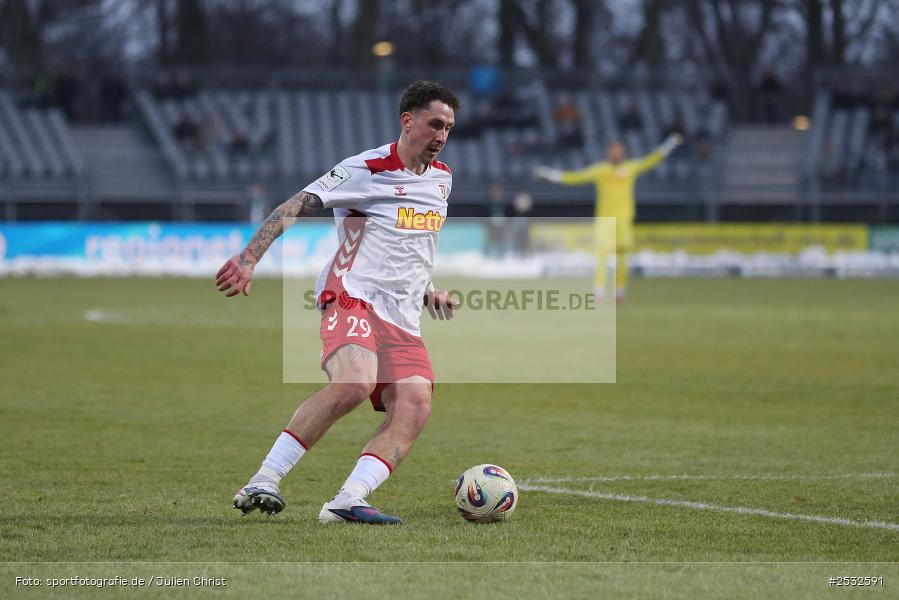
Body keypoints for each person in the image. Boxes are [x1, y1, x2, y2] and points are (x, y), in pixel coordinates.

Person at [215, 81, 460, 525]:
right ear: (408, 121)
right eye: (435, 124)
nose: (442, 136)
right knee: (354, 384)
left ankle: (348, 500)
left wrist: (427, 291)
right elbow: (296, 204)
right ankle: (263, 479)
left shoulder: (441, 180)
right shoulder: (366, 168)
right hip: (350, 295)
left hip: (401, 315)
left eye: (449, 128)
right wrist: (249, 257)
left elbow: (410, 247)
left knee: (416, 405)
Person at [534, 135, 681, 303]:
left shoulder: (630, 168)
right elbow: (575, 177)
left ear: (623, 154)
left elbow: (650, 161)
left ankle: (619, 292)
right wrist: (551, 175)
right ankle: (599, 292)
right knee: (602, 256)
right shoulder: (600, 170)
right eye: (614, 152)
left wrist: (668, 146)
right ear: (608, 154)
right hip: (605, 220)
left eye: (620, 152)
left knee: (622, 257)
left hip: (624, 219)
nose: (617, 155)